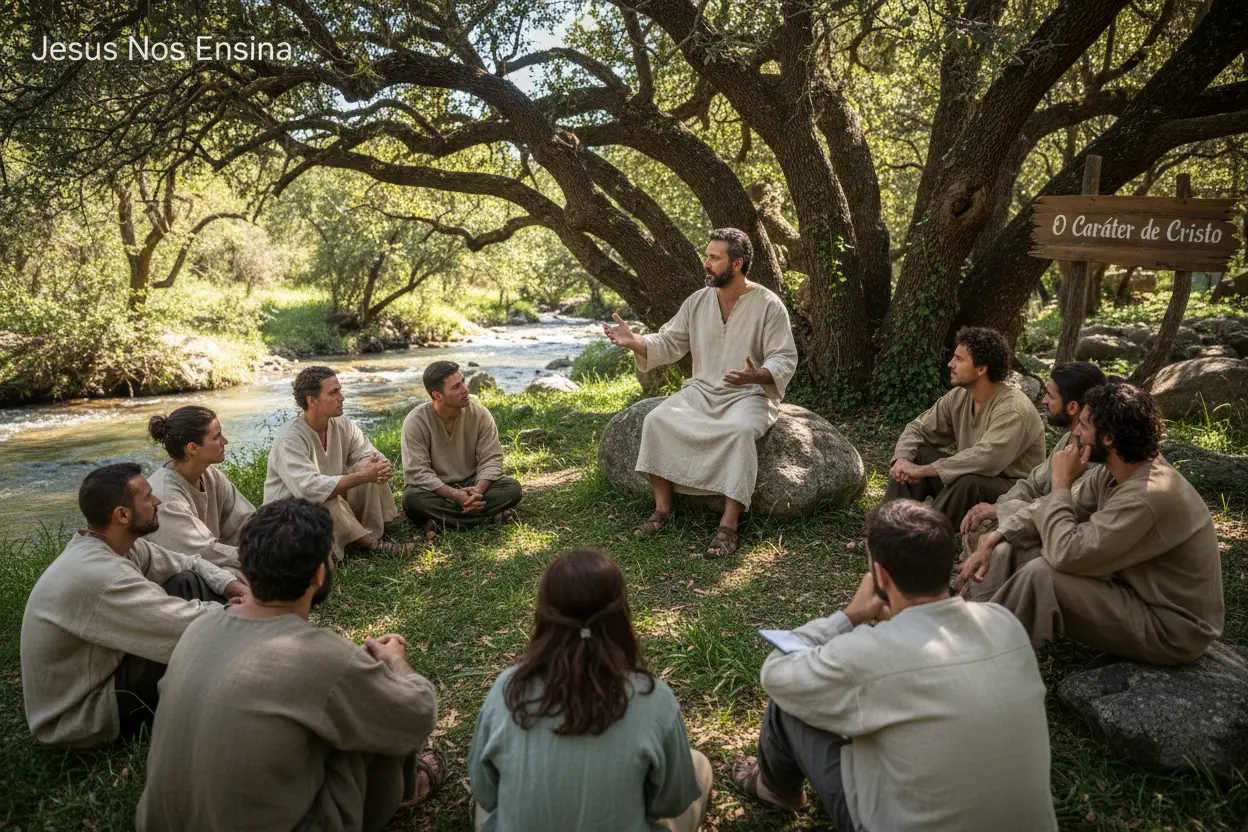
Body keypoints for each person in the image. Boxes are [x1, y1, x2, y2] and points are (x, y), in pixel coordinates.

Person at [733, 500, 1056, 831]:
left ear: (880, 576)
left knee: (787, 708)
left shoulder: (872, 652)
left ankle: (775, 790)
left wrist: (849, 615)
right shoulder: (1003, 623)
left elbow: (776, 673)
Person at [136, 499, 442, 832]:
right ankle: (406, 788)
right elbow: (418, 712)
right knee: (373, 719)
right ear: (318, 574)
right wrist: (396, 663)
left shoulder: (198, 629)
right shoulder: (323, 656)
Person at [964, 383, 1223, 664]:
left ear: (1109, 438)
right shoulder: (1118, 470)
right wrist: (996, 536)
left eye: (1085, 425)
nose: (1076, 432)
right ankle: (975, 621)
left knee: (1042, 575)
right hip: (1132, 589)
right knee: (1019, 544)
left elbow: (1065, 554)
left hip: (1171, 628)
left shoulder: (1148, 496)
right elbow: (1048, 511)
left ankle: (975, 660)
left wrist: (1061, 484)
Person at [468, 549, 712, 832]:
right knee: (699, 765)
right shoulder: (655, 699)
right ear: (621, 615)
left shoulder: (507, 690)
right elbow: (670, 802)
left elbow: (486, 792)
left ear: (543, 615)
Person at [20, 463, 247, 747]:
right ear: (122, 515)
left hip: (108, 668)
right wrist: (245, 613)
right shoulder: (101, 576)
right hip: (81, 712)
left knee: (189, 580)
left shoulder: (121, 544)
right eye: (148, 497)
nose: (157, 501)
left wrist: (233, 586)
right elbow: (181, 624)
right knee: (199, 639)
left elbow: (188, 562)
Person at [604, 227, 798, 557]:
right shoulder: (698, 301)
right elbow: (669, 342)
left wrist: (759, 375)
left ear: (737, 263)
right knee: (657, 420)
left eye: (714, 258)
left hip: (749, 396)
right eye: (706, 256)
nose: (706, 264)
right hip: (702, 391)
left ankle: (728, 525)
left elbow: (784, 355)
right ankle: (663, 509)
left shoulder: (768, 304)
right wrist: (636, 341)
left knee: (738, 432)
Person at [958, 361, 1107, 581]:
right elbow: (1033, 484)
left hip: (1061, 534)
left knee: (1001, 548)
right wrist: (997, 507)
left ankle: (986, 608)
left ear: (1072, 407)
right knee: (982, 523)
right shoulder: (1069, 439)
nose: (1044, 400)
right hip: (1035, 516)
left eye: (1050, 395)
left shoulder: (1097, 459)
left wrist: (1002, 512)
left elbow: (1064, 507)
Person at [885, 326, 1045, 525]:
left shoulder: (1012, 409)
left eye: (959, 359)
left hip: (1011, 492)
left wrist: (924, 470)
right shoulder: (960, 396)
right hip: (972, 477)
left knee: (967, 481)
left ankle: (922, 541)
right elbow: (918, 428)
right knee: (917, 456)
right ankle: (886, 531)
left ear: (981, 369)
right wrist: (902, 460)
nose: (950, 364)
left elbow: (987, 458)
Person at [264, 365, 411, 558]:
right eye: (333, 393)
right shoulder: (290, 439)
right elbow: (309, 489)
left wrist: (380, 465)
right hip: (288, 516)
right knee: (328, 498)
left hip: (323, 500)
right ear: (312, 401)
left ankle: (363, 532)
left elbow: (367, 452)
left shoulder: (341, 424)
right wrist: (364, 475)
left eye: (339, 391)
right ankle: (371, 545)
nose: (342, 398)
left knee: (366, 467)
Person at [400, 361, 522, 537]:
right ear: (437, 395)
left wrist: (477, 491)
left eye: (463, 382)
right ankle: (489, 517)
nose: (465, 389)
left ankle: (443, 522)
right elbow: (418, 472)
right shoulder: (415, 422)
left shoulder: (480, 414)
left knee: (512, 488)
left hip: (473, 485)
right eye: (456, 387)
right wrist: (455, 495)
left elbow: (492, 459)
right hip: (436, 490)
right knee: (411, 499)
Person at [145, 406, 255, 577]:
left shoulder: (209, 474)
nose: (225, 441)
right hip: (177, 582)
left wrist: (274, 540)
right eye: (217, 437)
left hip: (205, 564)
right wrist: (264, 556)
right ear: (193, 448)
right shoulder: (166, 497)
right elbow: (204, 553)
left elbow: (245, 520)